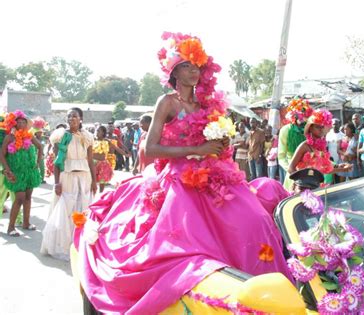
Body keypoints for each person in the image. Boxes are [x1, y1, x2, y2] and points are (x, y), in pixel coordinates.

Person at [74, 32, 292, 314]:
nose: (194, 71)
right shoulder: (167, 102)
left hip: (216, 175)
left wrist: (220, 145)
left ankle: (265, 297)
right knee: (191, 239)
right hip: (179, 178)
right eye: (188, 65)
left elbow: (214, 145)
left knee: (255, 219)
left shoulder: (206, 105)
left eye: (197, 66)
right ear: (174, 71)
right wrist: (199, 149)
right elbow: (151, 149)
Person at [40, 107, 96, 260]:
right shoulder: (61, 136)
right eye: (69, 116)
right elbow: (58, 162)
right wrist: (56, 182)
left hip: (84, 177)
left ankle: (80, 243)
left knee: (83, 209)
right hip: (67, 177)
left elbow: (90, 161)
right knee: (66, 210)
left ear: (81, 119)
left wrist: (94, 181)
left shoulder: (88, 137)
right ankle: (63, 245)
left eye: (75, 116)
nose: (71, 118)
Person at [0, 111, 42, 236]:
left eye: (24, 122)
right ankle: (11, 227)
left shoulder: (29, 136)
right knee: (19, 199)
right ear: (14, 123)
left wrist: (38, 162)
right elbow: (2, 154)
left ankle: (26, 223)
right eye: (19, 122)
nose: (21, 124)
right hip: (16, 173)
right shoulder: (10, 137)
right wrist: (7, 169)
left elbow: (40, 146)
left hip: (30, 172)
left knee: (28, 198)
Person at [287, 109, 352, 191]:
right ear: (310, 128)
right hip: (303, 190)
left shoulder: (322, 148)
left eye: (322, 127)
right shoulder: (305, 146)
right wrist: (301, 184)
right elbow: (290, 168)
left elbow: (325, 169)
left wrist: (342, 168)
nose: (321, 129)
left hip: (317, 188)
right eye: (317, 127)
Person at [278, 98, 313, 189]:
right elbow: (281, 157)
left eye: (304, 114)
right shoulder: (286, 130)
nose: (303, 117)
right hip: (293, 173)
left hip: (310, 171)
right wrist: (293, 171)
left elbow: (319, 153)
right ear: (294, 115)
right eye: (300, 114)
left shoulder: (310, 130)